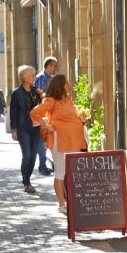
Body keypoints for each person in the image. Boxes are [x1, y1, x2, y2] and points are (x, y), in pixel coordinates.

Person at [30, 73, 88, 214]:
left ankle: (74, 202)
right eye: (66, 83)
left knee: (74, 173)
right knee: (60, 173)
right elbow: (35, 113)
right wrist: (45, 124)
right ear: (59, 86)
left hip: (75, 141)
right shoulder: (51, 100)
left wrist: (81, 117)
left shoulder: (68, 99)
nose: (68, 85)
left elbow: (71, 116)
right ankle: (62, 204)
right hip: (60, 141)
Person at [10, 65, 43, 195]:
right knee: (27, 155)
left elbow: (42, 108)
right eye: (32, 75)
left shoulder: (36, 91)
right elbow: (13, 113)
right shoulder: (16, 93)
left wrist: (41, 96)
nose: (35, 77)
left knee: (33, 156)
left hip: (36, 128)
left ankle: (27, 179)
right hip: (22, 128)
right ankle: (26, 182)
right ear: (25, 77)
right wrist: (13, 130)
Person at [33, 57, 57, 175]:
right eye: (54, 65)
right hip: (42, 113)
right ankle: (42, 166)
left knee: (45, 140)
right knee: (41, 140)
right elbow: (39, 95)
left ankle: (44, 164)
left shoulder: (50, 78)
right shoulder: (41, 77)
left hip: (48, 112)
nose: (56, 68)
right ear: (49, 65)